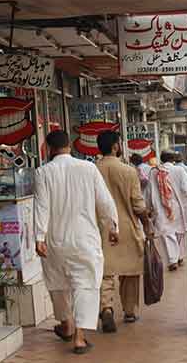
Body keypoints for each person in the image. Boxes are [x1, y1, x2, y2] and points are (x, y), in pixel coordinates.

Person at [34, 130, 119, 354]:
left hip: (55, 240)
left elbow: (41, 206)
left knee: (58, 284)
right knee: (86, 285)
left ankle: (66, 324)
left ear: (49, 149)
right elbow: (105, 201)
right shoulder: (88, 168)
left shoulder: (43, 172)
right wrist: (112, 226)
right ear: (69, 146)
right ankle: (80, 337)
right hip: (85, 239)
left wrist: (39, 237)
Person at [95, 132, 150, 332]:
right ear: (116, 147)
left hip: (100, 228)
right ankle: (129, 310)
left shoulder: (92, 170)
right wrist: (147, 224)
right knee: (130, 272)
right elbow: (138, 204)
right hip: (126, 226)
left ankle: (106, 307)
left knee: (104, 272)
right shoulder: (128, 171)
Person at [148, 151, 187, 271]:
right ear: (173, 159)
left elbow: (149, 191)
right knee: (180, 232)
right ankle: (179, 256)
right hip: (180, 207)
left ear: (162, 159)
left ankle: (172, 260)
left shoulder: (154, 172)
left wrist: (149, 207)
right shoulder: (179, 170)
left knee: (167, 233)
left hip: (162, 207)